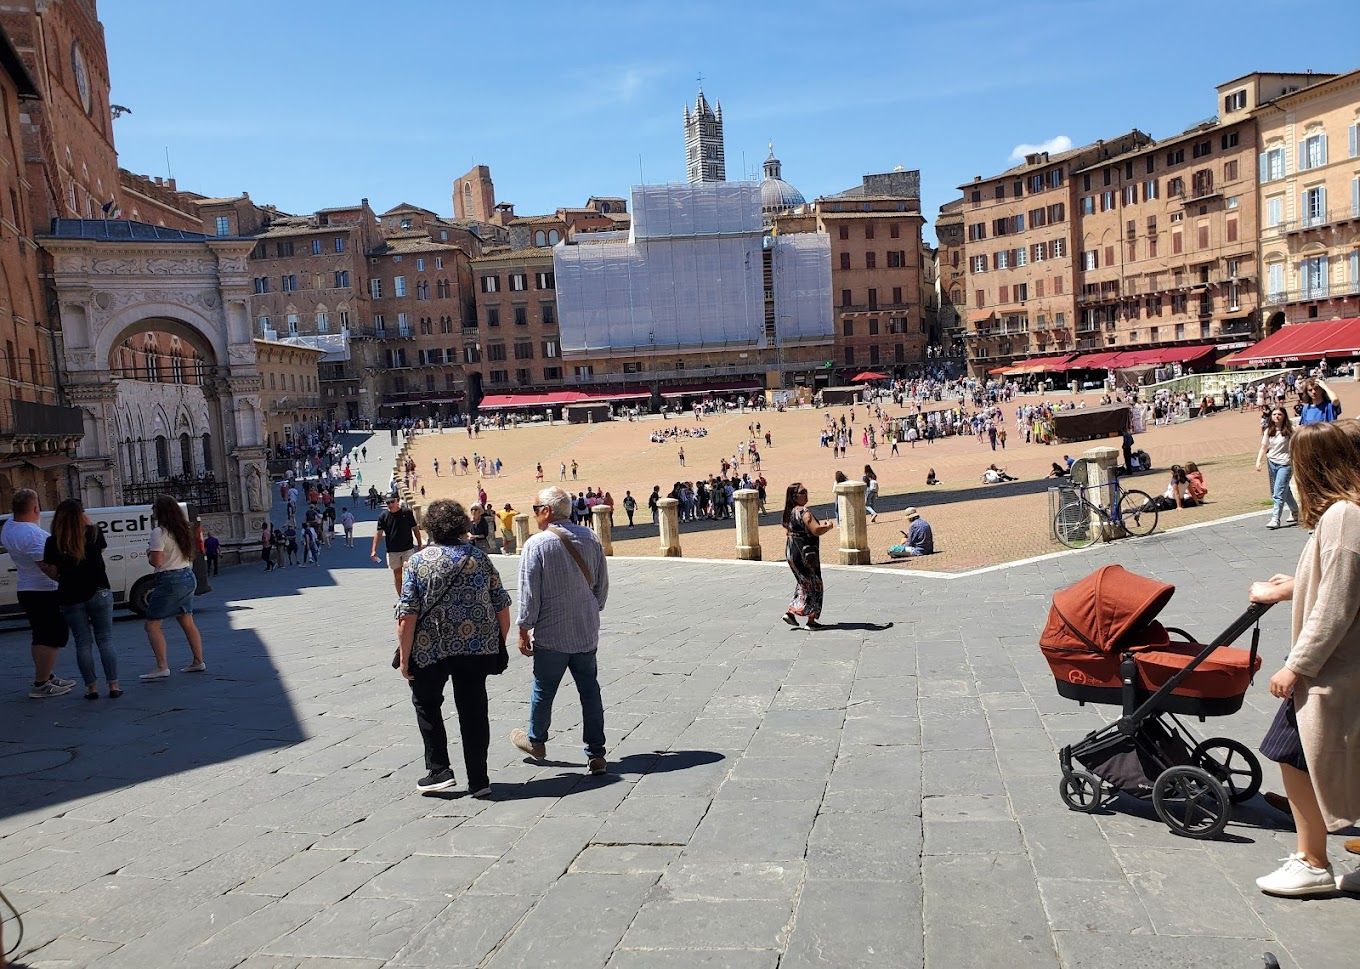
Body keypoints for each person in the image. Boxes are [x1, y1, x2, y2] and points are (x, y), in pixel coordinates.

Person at [1248, 422, 1360, 897]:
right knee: (1304, 754)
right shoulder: (1350, 513)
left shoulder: (1342, 517)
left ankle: (1313, 860)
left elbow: (1337, 601)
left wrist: (1297, 664)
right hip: (1341, 666)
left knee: (1288, 752)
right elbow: (1339, 576)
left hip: (1332, 668)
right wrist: (1288, 587)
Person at [396, 500, 511, 797]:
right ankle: (479, 779)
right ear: (461, 524)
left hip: (429, 646)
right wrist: (498, 641)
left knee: (426, 702)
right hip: (475, 646)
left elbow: (407, 615)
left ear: (431, 527)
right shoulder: (479, 558)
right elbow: (501, 606)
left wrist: (405, 657)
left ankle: (439, 770)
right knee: (473, 710)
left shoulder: (418, 562)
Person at [510, 486, 610, 775]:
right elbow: (601, 586)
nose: (534, 515)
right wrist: (591, 609)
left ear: (547, 511)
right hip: (585, 630)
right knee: (590, 690)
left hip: (552, 633)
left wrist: (523, 628)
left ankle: (536, 741)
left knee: (544, 688)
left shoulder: (536, 545)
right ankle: (596, 753)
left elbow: (529, 594)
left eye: (535, 509)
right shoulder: (591, 539)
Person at [43, 499, 118, 700]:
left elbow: (53, 572)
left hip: (70, 595)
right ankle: (113, 685)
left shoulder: (53, 541)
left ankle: (91, 688)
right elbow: (99, 554)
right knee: (105, 639)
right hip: (99, 590)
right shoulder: (94, 533)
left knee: (82, 642)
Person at [2, 489, 74, 698]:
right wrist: (68, 582)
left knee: (40, 634)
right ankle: (41, 683)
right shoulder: (33, 535)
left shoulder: (9, 527)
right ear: (35, 508)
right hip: (42, 590)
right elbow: (47, 567)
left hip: (27, 587)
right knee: (53, 635)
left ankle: (47, 676)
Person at [140, 496, 206, 680]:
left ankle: (162, 666)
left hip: (170, 579)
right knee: (187, 620)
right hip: (187, 576)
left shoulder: (159, 532)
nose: (152, 512)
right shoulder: (183, 529)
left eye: (154, 508)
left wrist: (148, 554)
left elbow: (157, 561)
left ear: (161, 511)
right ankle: (198, 660)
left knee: (152, 624)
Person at [781, 482, 834, 629]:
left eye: (806, 491)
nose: (806, 494)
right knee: (816, 584)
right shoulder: (804, 512)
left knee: (803, 583)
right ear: (794, 497)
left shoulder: (790, 512)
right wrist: (828, 526)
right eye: (803, 492)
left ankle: (791, 612)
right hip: (806, 554)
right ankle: (811, 621)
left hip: (792, 552)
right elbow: (816, 529)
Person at [1257, 406, 1301, 529]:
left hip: (1285, 464)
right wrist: (1258, 461)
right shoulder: (1268, 431)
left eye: (1279, 414)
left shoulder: (1290, 430)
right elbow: (1264, 447)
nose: (1277, 416)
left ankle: (1275, 519)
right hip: (1272, 463)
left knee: (1278, 492)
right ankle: (1295, 511)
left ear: (1284, 416)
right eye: (1274, 414)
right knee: (1284, 490)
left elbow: (1297, 445)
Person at [371, 496, 423, 594]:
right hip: (392, 550)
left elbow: (415, 529)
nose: (390, 505)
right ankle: (401, 598)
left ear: (397, 501)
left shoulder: (407, 512)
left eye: (392, 502)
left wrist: (420, 544)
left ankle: (411, 595)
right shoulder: (383, 516)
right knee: (397, 575)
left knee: (410, 573)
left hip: (407, 548)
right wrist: (374, 550)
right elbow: (379, 533)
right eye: (388, 503)